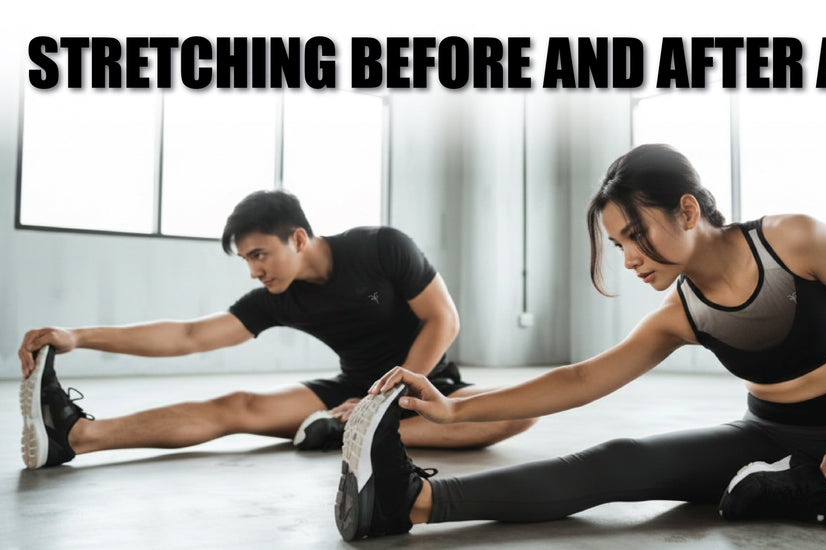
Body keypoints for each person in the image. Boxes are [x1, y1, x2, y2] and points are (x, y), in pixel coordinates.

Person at [331, 144, 826, 541]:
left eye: (635, 235)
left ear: (687, 210)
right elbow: (586, 378)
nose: (630, 258)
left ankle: (822, 497)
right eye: (618, 246)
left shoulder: (796, 241)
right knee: (619, 461)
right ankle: (411, 503)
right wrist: (458, 411)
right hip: (765, 437)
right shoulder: (681, 311)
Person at [18, 190, 534, 470]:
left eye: (259, 254)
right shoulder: (278, 297)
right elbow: (189, 336)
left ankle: (355, 428)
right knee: (238, 405)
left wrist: (389, 397)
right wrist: (78, 336)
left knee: (520, 413)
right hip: (348, 392)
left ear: (299, 237)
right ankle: (79, 438)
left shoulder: (381, 248)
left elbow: (443, 319)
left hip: (423, 385)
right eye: (246, 260)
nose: (254, 271)